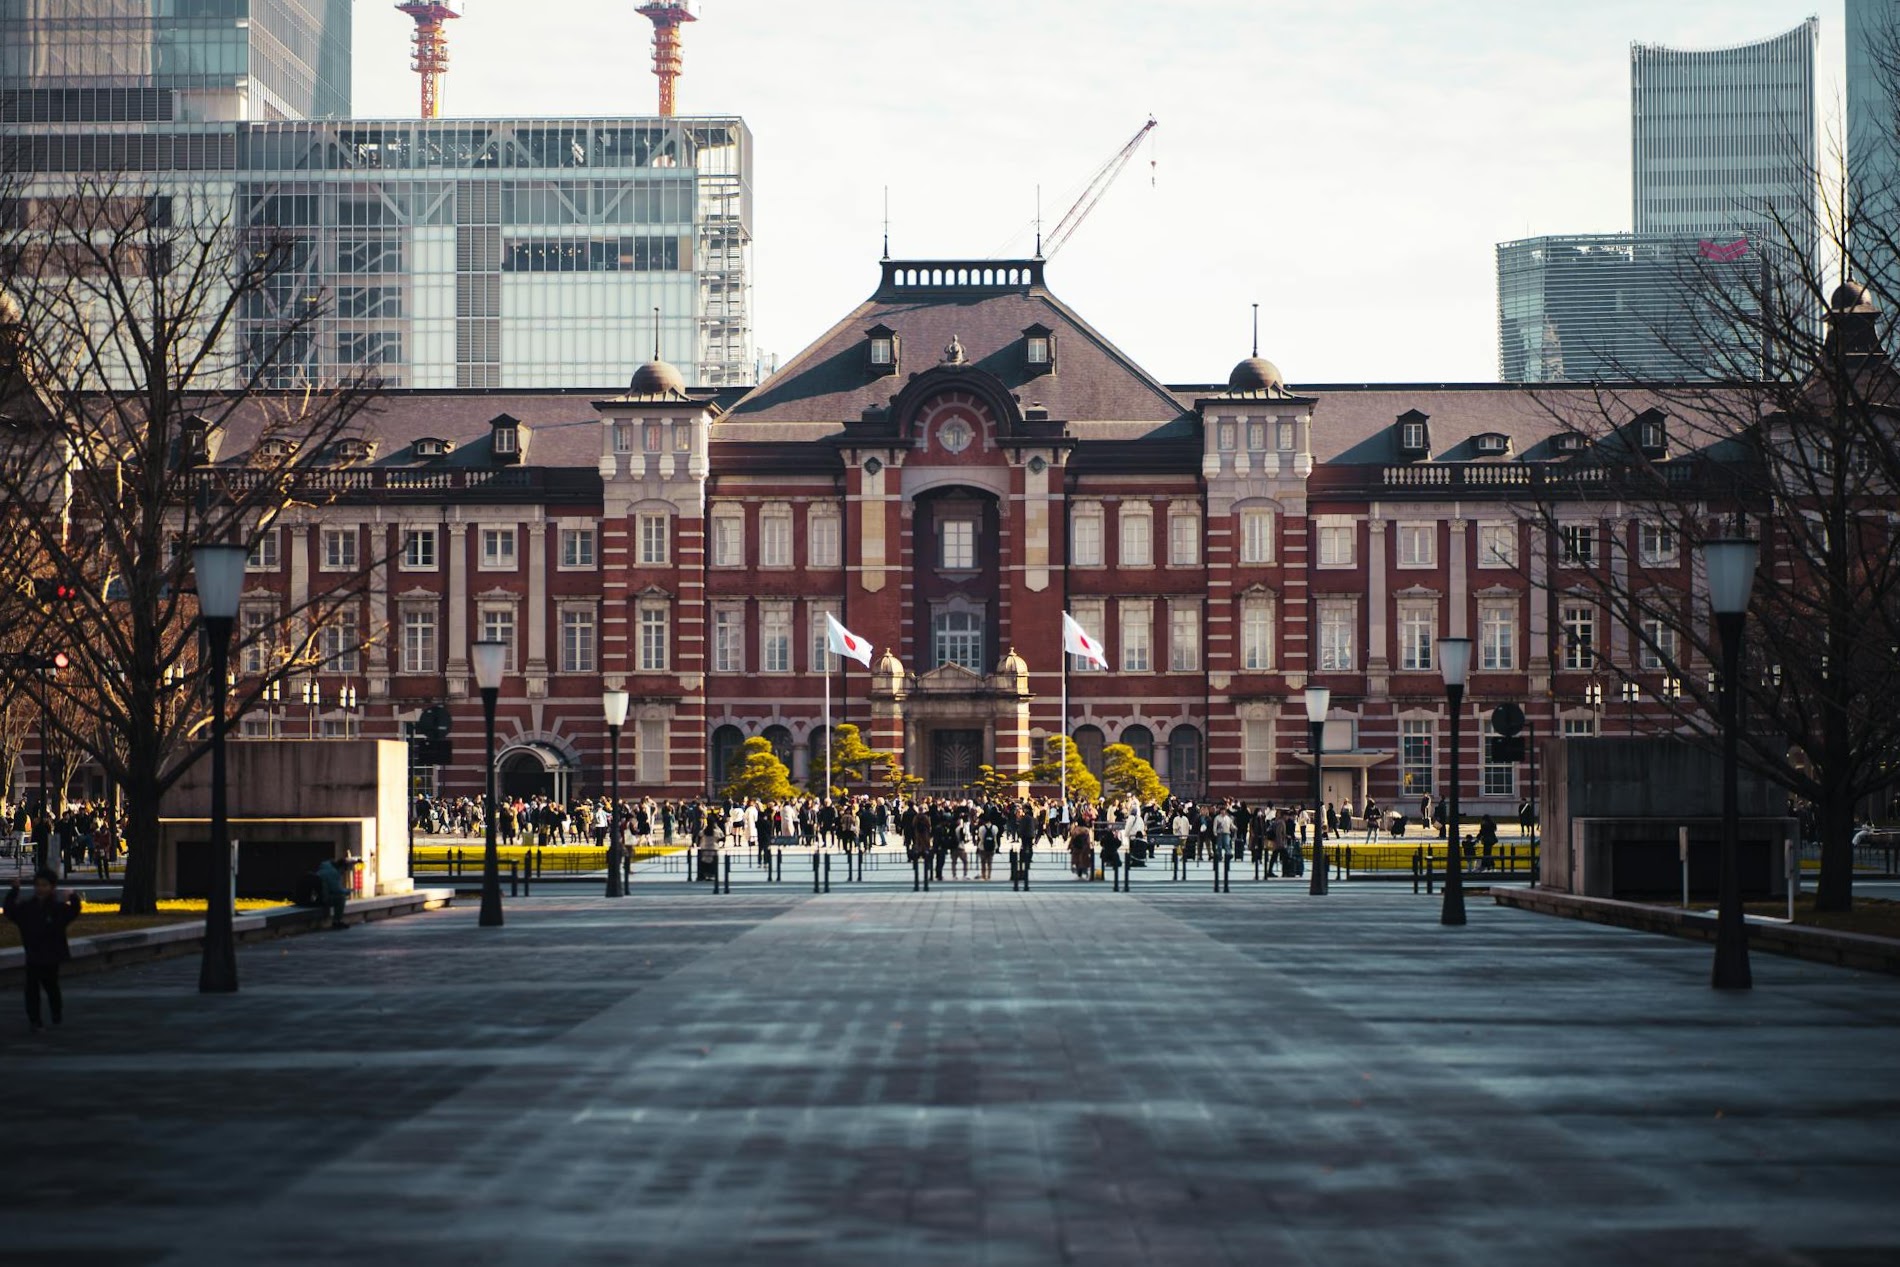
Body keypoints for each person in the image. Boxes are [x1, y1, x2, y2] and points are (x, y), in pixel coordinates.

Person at [5, 868, 80, 1031]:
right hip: (34, 953)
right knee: (31, 988)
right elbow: (10, 911)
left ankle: (55, 1012)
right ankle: (35, 1019)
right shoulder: (28, 908)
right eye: (38, 885)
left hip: (51, 953)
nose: (40, 889)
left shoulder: (57, 908)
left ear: (52, 887)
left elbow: (73, 911)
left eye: (44, 885)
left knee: (51, 985)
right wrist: (14, 891)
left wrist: (72, 896)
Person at [316, 856, 351, 929]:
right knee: (341, 898)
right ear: (341, 867)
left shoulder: (324, 867)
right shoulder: (333, 873)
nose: (343, 873)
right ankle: (337, 921)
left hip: (316, 896)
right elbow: (337, 890)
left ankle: (337, 921)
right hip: (322, 898)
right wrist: (347, 891)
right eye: (344, 871)